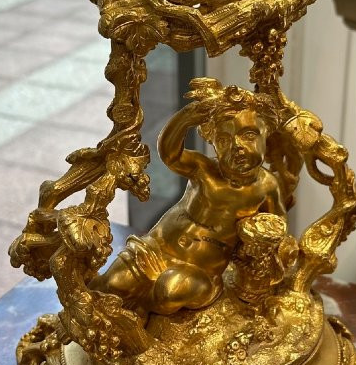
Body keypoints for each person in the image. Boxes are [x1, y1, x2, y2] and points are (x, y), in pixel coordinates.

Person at [92, 81, 284, 318]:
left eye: (248, 135)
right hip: (157, 249)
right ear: (213, 143)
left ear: (267, 134)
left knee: (169, 293)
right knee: (113, 283)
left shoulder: (266, 187)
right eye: (224, 140)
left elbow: (278, 226)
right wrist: (186, 118)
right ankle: (92, 307)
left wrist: (260, 241)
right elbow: (170, 154)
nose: (237, 146)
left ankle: (136, 313)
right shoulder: (204, 170)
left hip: (200, 271)